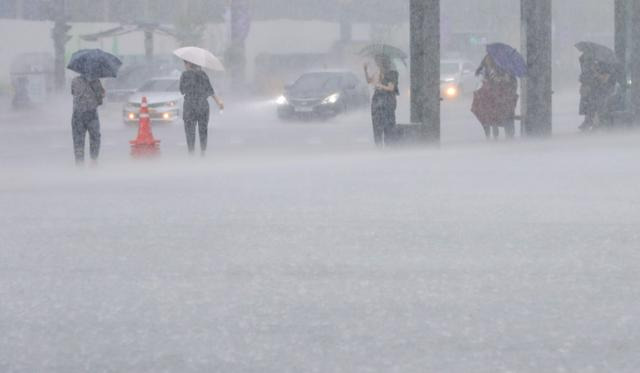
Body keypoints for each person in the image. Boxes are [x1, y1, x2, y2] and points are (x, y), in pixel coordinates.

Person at [179, 61, 224, 156]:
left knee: (190, 131)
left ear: (189, 64)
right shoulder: (203, 74)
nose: (185, 66)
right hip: (202, 106)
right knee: (203, 130)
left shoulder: (185, 75)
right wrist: (218, 102)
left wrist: (189, 85)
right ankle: (203, 152)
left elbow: (182, 91)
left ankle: (191, 152)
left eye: (185, 63)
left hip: (189, 106)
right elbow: (210, 91)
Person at [473, 55, 518, 140]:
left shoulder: (506, 70)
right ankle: (495, 131)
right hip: (498, 99)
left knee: (501, 112)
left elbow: (511, 85)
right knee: (496, 111)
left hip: (501, 99)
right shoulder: (488, 70)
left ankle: (497, 132)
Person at [364, 54, 399, 147]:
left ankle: (389, 144)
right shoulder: (377, 71)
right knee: (377, 124)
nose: (377, 63)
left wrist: (380, 86)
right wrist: (365, 70)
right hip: (377, 100)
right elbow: (369, 81)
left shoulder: (392, 73)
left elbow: (391, 88)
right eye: (376, 61)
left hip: (387, 100)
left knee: (388, 124)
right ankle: (378, 145)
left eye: (379, 61)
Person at [71, 74, 105, 165]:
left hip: (77, 114)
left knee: (78, 138)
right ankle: (93, 160)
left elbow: (73, 93)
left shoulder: (74, 81)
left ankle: (79, 162)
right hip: (91, 113)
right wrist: (102, 94)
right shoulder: (95, 81)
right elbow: (100, 100)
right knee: (94, 137)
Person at [578, 56, 616, 131]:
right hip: (593, 92)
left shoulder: (604, 68)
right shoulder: (589, 70)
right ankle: (590, 122)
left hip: (600, 92)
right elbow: (585, 79)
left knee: (598, 107)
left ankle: (594, 123)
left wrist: (598, 75)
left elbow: (605, 80)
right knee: (592, 107)